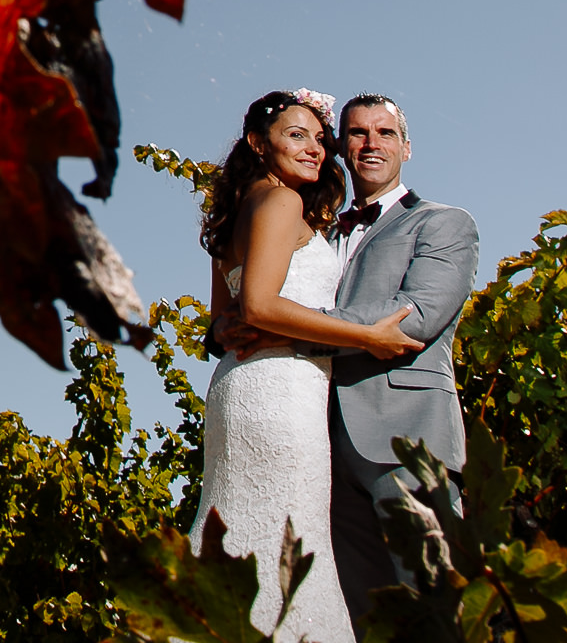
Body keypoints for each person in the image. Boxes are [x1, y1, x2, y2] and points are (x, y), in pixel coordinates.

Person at [216, 93, 481, 629]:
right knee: (363, 617)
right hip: (318, 445)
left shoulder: (443, 223)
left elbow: (415, 319)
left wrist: (281, 329)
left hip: (405, 438)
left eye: (385, 133)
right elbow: (242, 301)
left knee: (436, 601)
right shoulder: (317, 224)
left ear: (407, 146)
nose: (370, 143)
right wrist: (229, 325)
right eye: (357, 133)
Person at [191, 90, 423, 643]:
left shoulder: (235, 211)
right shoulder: (282, 203)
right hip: (282, 392)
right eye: (297, 135)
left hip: (238, 386)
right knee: (285, 537)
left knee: (240, 526)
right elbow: (260, 306)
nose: (316, 149)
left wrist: (225, 330)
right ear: (257, 142)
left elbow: (223, 324)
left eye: (320, 139)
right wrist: (367, 335)